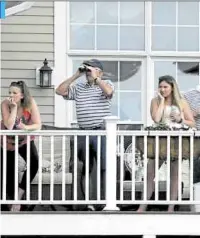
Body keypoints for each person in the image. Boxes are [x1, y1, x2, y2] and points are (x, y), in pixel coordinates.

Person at [55, 59, 114, 211]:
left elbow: (109, 93)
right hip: (83, 132)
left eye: (91, 69)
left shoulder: (106, 83)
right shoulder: (80, 87)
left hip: (101, 132)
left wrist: (97, 79)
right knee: (84, 168)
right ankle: (87, 202)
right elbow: (60, 91)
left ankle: (103, 202)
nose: (87, 72)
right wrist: (76, 75)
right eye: (86, 70)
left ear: (99, 71)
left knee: (103, 168)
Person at [137, 75, 195, 212]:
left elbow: (193, 123)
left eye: (165, 87)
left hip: (175, 139)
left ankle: (171, 207)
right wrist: (162, 101)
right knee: (150, 171)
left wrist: (181, 120)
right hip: (159, 139)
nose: (162, 89)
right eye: (160, 87)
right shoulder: (155, 101)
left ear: (172, 87)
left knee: (174, 174)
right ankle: (142, 206)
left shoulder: (182, 102)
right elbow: (156, 119)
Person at [0, 81, 41, 211]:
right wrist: (14, 108)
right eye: (9, 92)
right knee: (8, 170)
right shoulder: (5, 104)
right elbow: (9, 126)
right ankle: (9, 203)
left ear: (22, 95)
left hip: (24, 139)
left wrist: (25, 127)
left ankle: (19, 195)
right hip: (7, 141)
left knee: (34, 162)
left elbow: (37, 125)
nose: (11, 95)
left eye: (14, 93)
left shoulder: (30, 103)